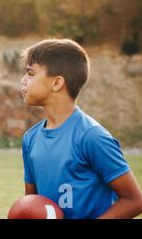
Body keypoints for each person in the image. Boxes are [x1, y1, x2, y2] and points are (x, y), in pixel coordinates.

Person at [20, 39, 142, 219]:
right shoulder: (30, 138)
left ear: (57, 83)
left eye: (30, 73)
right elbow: (33, 203)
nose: (23, 80)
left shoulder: (92, 137)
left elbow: (134, 200)